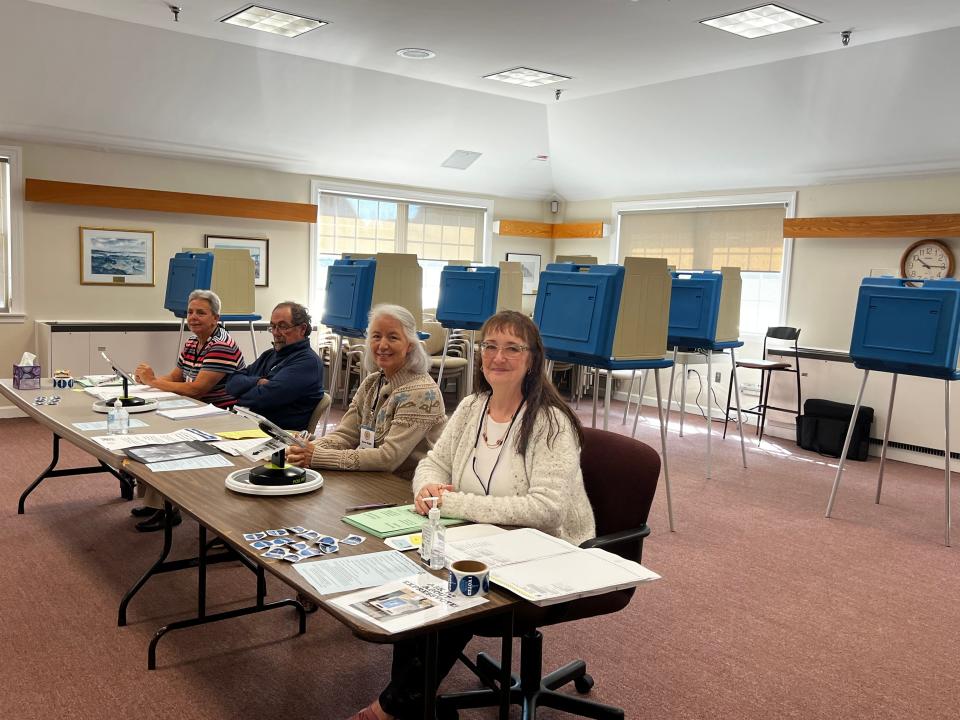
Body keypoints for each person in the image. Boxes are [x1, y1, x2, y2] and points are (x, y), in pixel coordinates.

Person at [349, 310, 595, 720]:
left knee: (459, 590)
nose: (498, 357)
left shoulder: (552, 423)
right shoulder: (471, 406)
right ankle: (416, 704)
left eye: (512, 348)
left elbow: (545, 509)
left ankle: (395, 706)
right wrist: (425, 488)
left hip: (544, 546)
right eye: (490, 347)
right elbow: (434, 462)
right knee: (416, 574)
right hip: (475, 534)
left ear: (532, 358)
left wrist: (454, 503)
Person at [286, 304, 445, 480]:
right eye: (376, 336)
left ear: (409, 345)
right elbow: (346, 434)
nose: (382, 345)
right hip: (374, 479)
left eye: (393, 337)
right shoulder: (372, 382)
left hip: (407, 488)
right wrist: (302, 449)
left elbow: (388, 458)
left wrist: (316, 455)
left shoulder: (421, 392)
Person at [130, 289, 246, 532]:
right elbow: (175, 377)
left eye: (201, 313)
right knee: (146, 431)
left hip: (218, 416)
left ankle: (168, 510)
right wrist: (146, 381)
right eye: (190, 312)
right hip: (193, 410)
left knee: (162, 441)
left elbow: (196, 390)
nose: (193, 317)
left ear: (216, 318)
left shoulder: (221, 345)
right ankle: (154, 502)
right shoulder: (193, 341)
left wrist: (152, 382)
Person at [225, 301, 324, 431]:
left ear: (302, 329)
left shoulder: (308, 363)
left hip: (277, 438)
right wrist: (258, 381)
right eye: (273, 326)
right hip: (249, 426)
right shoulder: (270, 355)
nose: (276, 333)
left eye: (283, 326)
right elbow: (231, 383)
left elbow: (263, 399)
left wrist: (240, 393)